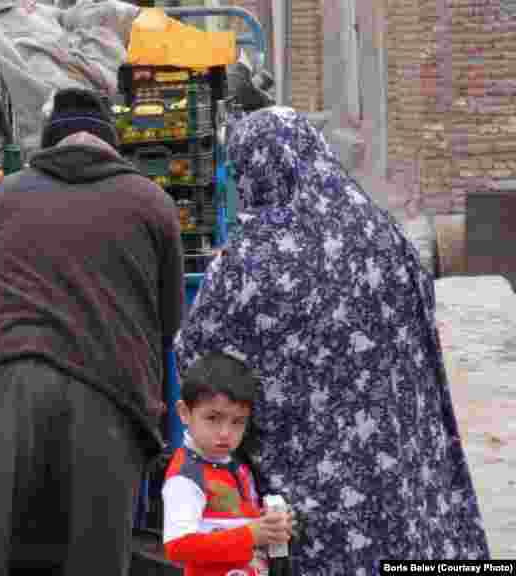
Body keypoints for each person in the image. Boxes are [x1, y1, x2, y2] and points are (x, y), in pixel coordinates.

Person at [174, 107, 491, 574]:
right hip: (400, 469)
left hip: (311, 487)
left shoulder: (248, 261)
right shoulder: (384, 235)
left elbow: (198, 358)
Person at [0, 88, 185, 576]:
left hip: (2, 383)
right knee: (90, 557)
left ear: (50, 142)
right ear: (113, 143)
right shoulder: (154, 204)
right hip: (106, 392)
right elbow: (168, 322)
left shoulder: (7, 193)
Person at [162, 351, 293, 576]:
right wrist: (251, 534)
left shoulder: (234, 463)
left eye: (237, 422)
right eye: (213, 418)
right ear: (184, 413)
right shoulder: (185, 477)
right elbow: (178, 547)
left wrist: (270, 524)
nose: (225, 433)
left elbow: (234, 518)